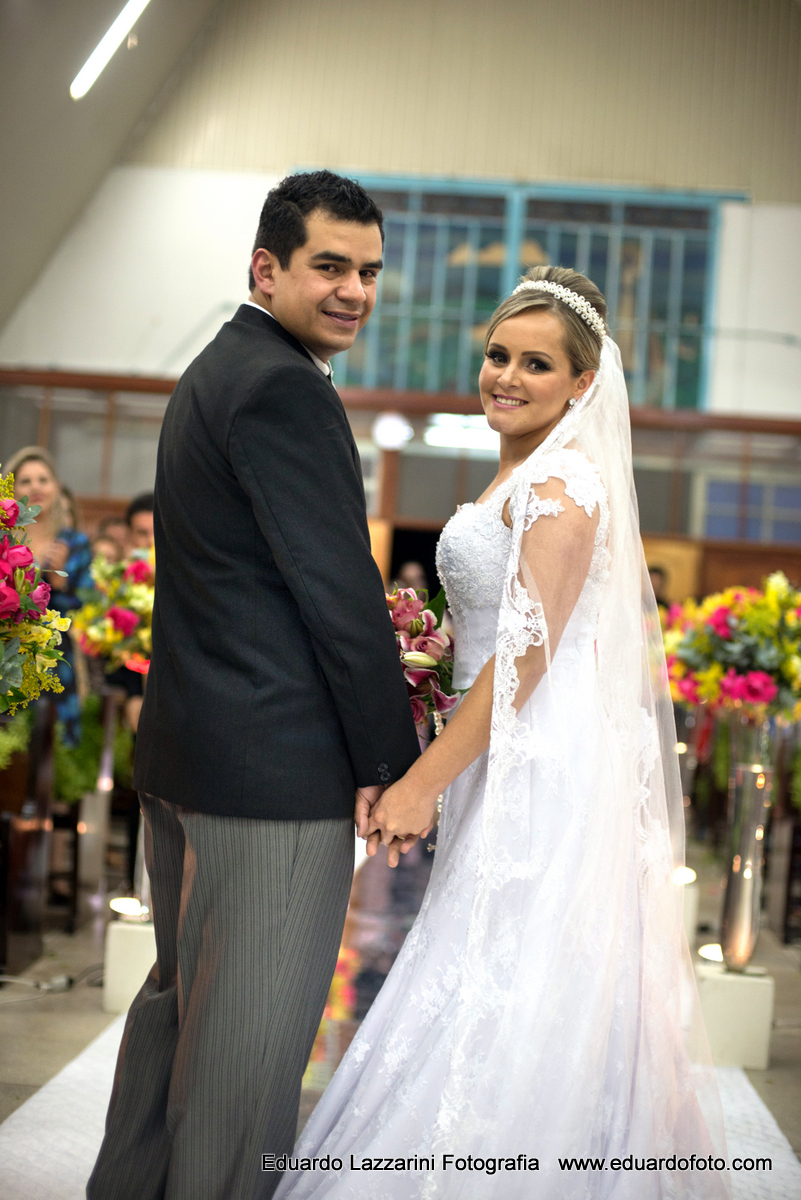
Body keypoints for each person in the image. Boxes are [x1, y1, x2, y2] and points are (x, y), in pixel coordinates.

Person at [276, 267, 729, 1199]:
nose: (506, 377)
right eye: (496, 355)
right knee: (488, 956)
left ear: (581, 383)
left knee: (509, 968)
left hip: (541, 761)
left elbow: (524, 662)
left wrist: (422, 781)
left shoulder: (560, 483)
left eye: (535, 364)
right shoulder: (520, 471)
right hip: (506, 746)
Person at [87, 171, 420, 1200]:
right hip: (269, 776)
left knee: (180, 1012)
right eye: (330, 266)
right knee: (247, 1049)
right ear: (265, 268)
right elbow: (338, 591)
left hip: (193, 757)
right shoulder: (282, 385)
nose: (355, 290)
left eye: (369, 271)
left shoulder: (217, 368)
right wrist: (391, 761)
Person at [7, 446, 92, 744]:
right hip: (6, 652)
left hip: (55, 654)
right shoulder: (4, 539)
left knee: (52, 744)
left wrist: (59, 583)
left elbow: (86, 603)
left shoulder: (74, 542)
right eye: (26, 480)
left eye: (43, 480)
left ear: (56, 487)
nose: (36, 487)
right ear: (12, 489)